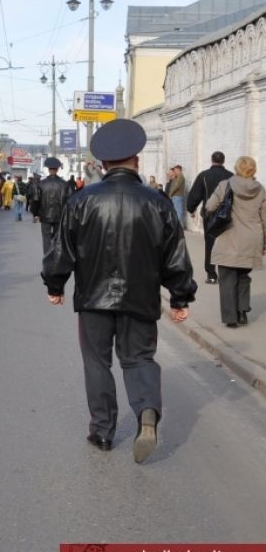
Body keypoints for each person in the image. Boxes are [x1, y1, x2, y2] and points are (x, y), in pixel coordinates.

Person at [43, 119, 195, 463]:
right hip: (140, 298)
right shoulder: (157, 202)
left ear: (102, 164)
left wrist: (55, 285)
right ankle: (147, 411)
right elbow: (175, 256)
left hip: (93, 299)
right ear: (136, 161)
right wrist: (180, 297)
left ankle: (102, 431)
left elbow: (61, 251)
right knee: (139, 358)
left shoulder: (82, 200)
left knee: (97, 362)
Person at [205, 156, 266, 328]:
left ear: (237, 168)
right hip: (251, 238)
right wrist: (264, 243)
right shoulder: (260, 189)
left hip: (229, 237)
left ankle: (231, 317)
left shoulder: (226, 185)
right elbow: (265, 218)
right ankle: (242, 312)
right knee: (244, 276)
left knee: (227, 278)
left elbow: (210, 206)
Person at [186, 151, 234, 285]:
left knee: (210, 244)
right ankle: (227, 273)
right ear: (223, 161)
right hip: (227, 215)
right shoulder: (231, 176)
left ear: (212, 160)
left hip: (210, 214)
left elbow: (195, 194)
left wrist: (191, 208)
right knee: (227, 244)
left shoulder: (204, 176)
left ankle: (211, 274)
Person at [29, 157, 72, 255]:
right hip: (60, 215)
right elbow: (70, 200)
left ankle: (47, 259)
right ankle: (56, 259)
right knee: (58, 238)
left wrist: (35, 214)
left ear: (48, 169)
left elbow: (35, 199)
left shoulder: (41, 184)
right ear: (57, 169)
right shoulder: (64, 184)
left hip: (44, 215)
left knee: (46, 238)